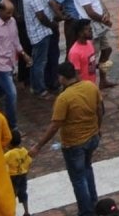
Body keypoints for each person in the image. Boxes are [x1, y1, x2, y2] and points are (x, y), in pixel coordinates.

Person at [33, 57, 104, 216]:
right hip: (92, 137)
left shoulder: (64, 98)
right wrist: (98, 128)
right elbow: (99, 109)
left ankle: (86, 211)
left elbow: (55, 125)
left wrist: (38, 145)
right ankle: (93, 201)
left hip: (74, 144)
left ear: (62, 78)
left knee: (78, 179)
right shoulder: (90, 86)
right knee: (87, 169)